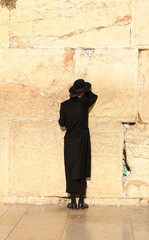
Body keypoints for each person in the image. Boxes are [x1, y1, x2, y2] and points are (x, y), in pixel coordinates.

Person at [59, 79, 98, 210]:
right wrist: (87, 90)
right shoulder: (84, 103)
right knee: (82, 167)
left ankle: (72, 201)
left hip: (70, 139)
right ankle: (81, 201)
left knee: (70, 168)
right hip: (83, 139)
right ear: (82, 93)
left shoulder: (64, 105)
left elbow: (62, 123)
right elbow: (94, 96)